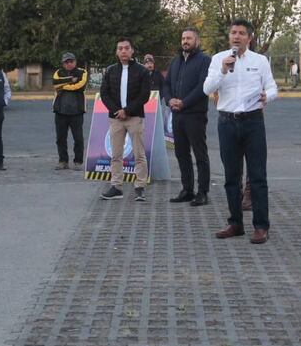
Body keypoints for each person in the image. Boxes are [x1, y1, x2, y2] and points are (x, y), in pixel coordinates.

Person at [204, 19, 278, 244]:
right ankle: (235, 223)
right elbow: (207, 88)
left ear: (249, 38)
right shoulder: (218, 59)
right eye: (233, 33)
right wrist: (223, 71)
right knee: (231, 177)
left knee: (257, 176)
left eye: (242, 33)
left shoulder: (260, 60)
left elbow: (272, 86)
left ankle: (261, 226)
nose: (237, 36)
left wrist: (269, 96)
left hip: (253, 121)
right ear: (229, 37)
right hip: (227, 122)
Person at [161, 28, 211, 206]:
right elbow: (166, 84)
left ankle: (203, 192)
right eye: (183, 38)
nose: (185, 41)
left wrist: (184, 102)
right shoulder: (176, 62)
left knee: (200, 154)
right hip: (177, 114)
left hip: (195, 115)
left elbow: (203, 86)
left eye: (189, 38)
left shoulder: (205, 60)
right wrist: (169, 100)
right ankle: (187, 189)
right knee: (181, 153)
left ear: (197, 41)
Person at [98, 38, 152, 201]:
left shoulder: (142, 71)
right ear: (116, 52)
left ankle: (140, 187)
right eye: (120, 48)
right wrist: (117, 111)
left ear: (132, 51)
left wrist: (127, 111)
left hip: (134, 117)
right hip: (115, 119)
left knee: (139, 154)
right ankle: (116, 187)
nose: (123, 51)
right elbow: (104, 93)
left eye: (126, 48)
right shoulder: (110, 71)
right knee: (116, 155)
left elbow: (144, 95)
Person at [51, 52, 87, 170]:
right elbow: (55, 84)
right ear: (63, 63)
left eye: (71, 61)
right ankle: (63, 161)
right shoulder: (58, 73)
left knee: (78, 138)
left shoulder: (82, 72)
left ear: (75, 62)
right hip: (60, 111)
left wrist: (64, 85)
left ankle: (78, 161)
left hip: (77, 111)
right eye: (66, 62)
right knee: (60, 138)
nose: (69, 63)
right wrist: (71, 80)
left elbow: (80, 86)